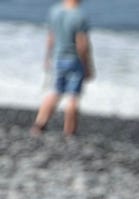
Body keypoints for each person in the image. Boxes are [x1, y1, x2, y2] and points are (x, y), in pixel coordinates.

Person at [31, 0, 94, 137]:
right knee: (73, 96)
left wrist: (47, 57)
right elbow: (82, 44)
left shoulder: (55, 11)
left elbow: (50, 37)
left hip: (58, 57)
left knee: (55, 91)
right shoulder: (79, 15)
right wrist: (87, 65)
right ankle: (69, 131)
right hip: (74, 59)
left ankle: (39, 124)